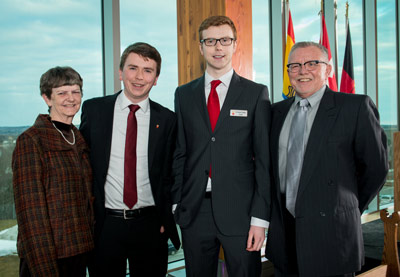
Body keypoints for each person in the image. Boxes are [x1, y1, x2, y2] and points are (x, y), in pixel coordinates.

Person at [265, 41, 388, 277]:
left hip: (331, 235)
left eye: (312, 63)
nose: (303, 71)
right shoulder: (274, 112)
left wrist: (344, 206)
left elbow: (377, 168)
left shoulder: (354, 107)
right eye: (295, 66)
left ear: (328, 69)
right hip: (285, 236)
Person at [172, 15, 271, 276]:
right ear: (201, 46)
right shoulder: (183, 94)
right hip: (195, 211)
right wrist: (176, 203)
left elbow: (263, 161)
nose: (218, 47)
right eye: (211, 41)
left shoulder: (256, 93)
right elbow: (181, 152)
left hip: (241, 212)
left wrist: (260, 219)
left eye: (225, 40)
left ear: (234, 44)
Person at [79, 42, 180, 277]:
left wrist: (167, 217)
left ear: (156, 78)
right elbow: (82, 163)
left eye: (148, 70)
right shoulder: (94, 110)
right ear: (120, 72)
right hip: (105, 225)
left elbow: (171, 173)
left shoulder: (167, 120)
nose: (139, 77)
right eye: (133, 68)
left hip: (151, 225)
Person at [12, 66, 94, 276]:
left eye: (76, 92)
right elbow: (31, 215)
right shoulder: (32, 140)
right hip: (48, 258)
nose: (71, 98)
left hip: (79, 252)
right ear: (47, 98)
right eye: (62, 93)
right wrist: (45, 268)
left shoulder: (79, 138)